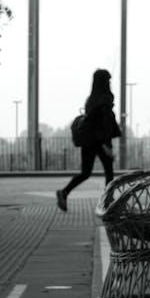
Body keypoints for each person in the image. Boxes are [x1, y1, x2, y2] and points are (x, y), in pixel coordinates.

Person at [56, 69, 121, 212]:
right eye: (108, 80)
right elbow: (105, 124)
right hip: (100, 141)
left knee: (85, 172)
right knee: (109, 173)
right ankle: (108, 203)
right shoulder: (105, 99)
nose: (110, 83)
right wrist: (107, 145)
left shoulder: (91, 99)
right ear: (104, 82)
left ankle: (64, 192)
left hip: (88, 141)